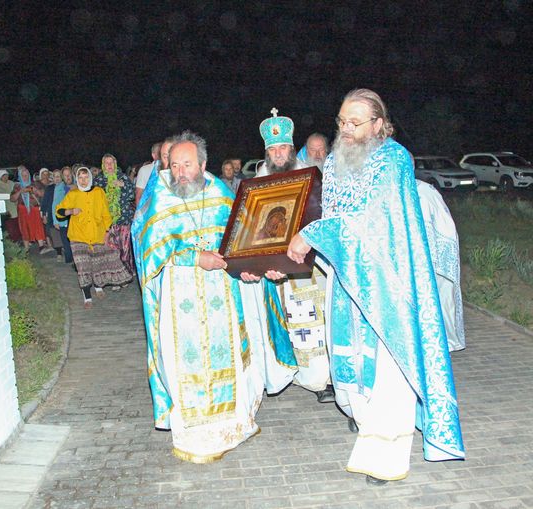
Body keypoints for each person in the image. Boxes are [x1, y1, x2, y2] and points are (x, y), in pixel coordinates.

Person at [286, 88, 465, 484]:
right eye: (341, 122)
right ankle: (366, 421)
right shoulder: (332, 163)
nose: (345, 129)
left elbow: (371, 220)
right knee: (350, 362)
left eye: (355, 122)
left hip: (390, 284)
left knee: (389, 368)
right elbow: (329, 213)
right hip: (346, 280)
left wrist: (313, 235)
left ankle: (385, 452)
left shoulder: (394, 159)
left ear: (378, 124)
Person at [131, 131, 296, 463]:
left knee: (229, 355)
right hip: (180, 297)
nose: (179, 171)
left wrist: (255, 265)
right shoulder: (159, 198)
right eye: (174, 164)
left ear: (203, 164)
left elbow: (244, 239)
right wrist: (194, 257)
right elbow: (147, 247)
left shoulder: (221, 194)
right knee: (186, 362)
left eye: (187, 164)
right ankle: (194, 435)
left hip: (224, 292)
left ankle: (234, 427)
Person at [244, 108, 335, 404]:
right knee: (286, 321)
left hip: (311, 265)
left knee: (316, 323)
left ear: (292, 148)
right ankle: (293, 372)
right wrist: (264, 263)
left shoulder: (311, 175)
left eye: (283, 147)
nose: (279, 153)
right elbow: (251, 230)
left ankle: (322, 379)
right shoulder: (258, 180)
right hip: (276, 269)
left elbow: (324, 217)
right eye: (273, 148)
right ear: (266, 152)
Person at [57, 166, 133, 306]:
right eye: (80, 177)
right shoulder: (73, 194)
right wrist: (70, 211)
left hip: (97, 235)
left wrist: (106, 232)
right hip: (78, 236)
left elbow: (105, 214)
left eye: (86, 177)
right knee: (83, 266)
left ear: (90, 178)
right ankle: (87, 296)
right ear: (77, 179)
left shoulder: (99, 192)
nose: (84, 180)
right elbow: (59, 211)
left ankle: (98, 287)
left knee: (97, 264)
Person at [416, 180, 466, 352]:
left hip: (433, 258)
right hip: (411, 261)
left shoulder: (426, 191)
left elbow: (444, 224)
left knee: (440, 299)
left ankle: (441, 342)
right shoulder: (391, 189)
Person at [93, 153, 136, 279]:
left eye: (111, 162)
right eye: (106, 163)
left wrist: (123, 186)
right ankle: (116, 277)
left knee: (125, 249)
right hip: (107, 222)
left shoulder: (123, 177)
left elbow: (132, 195)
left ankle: (127, 273)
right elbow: (95, 201)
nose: (109, 165)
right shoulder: (99, 180)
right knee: (112, 250)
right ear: (103, 165)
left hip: (124, 219)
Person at [11, 165, 50, 254]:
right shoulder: (17, 186)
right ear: (20, 176)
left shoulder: (35, 183)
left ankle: (41, 247)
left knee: (37, 226)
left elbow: (43, 194)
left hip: (34, 209)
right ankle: (26, 248)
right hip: (23, 209)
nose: (25, 177)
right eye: (23, 175)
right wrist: (20, 191)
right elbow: (12, 199)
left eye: (27, 175)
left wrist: (34, 191)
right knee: (24, 227)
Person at [0, 169, 21, 242]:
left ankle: (19, 242)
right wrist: (13, 193)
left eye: (6, 175)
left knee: (17, 226)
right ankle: (13, 243)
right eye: (3, 176)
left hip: (15, 207)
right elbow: (3, 195)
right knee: (10, 228)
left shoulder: (11, 183)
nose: (6, 177)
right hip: (6, 208)